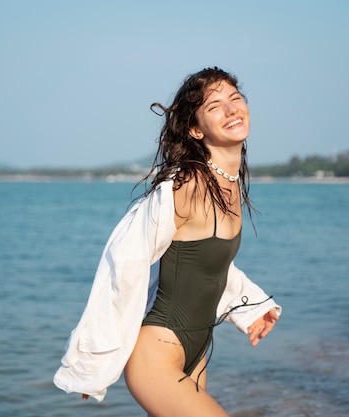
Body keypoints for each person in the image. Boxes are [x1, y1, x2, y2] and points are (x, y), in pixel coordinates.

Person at [54, 67, 281, 416]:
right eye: (215, 105)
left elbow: (206, 262)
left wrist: (252, 305)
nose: (232, 109)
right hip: (156, 355)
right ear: (195, 128)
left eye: (235, 99)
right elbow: (124, 260)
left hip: (196, 352)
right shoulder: (187, 184)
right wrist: (92, 360)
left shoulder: (230, 183)